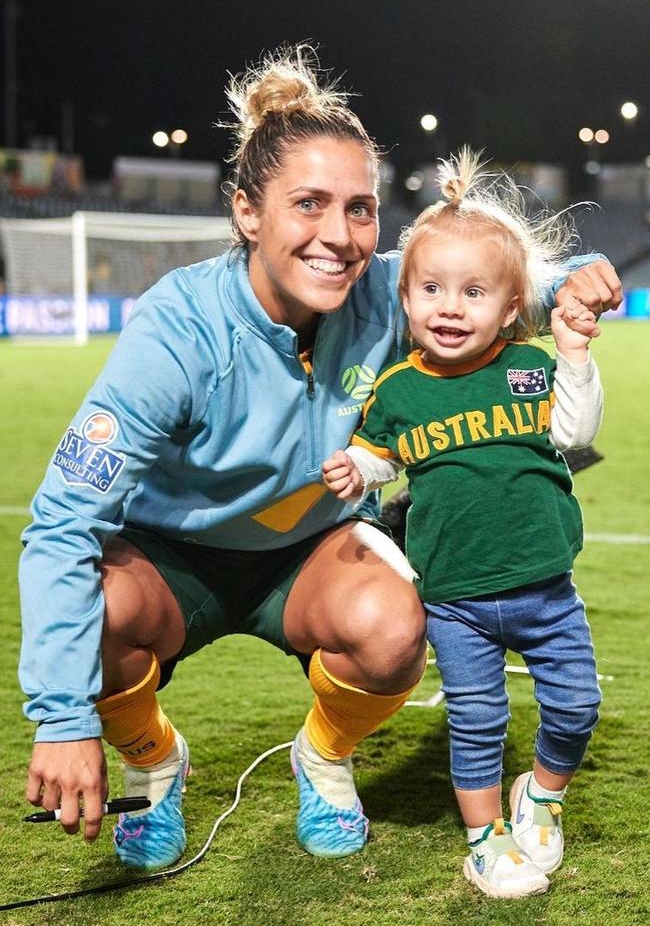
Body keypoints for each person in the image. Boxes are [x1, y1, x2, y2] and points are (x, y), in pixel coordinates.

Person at [19, 50, 620, 874]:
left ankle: (323, 757)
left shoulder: (382, 294)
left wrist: (573, 288)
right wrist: (60, 718)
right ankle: (154, 761)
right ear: (246, 212)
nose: (340, 236)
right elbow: (60, 520)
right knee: (95, 612)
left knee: (395, 622)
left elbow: (486, 287)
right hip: (170, 559)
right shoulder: (176, 332)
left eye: (361, 209)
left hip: (311, 554)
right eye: (309, 204)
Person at [322, 148, 604, 898]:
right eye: (432, 289)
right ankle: (485, 840)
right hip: (456, 599)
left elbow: (576, 433)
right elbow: (382, 453)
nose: (450, 307)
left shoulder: (527, 365)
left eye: (473, 292)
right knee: (476, 721)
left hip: (548, 587)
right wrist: (359, 468)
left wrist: (573, 354)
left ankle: (540, 795)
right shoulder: (399, 388)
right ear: (406, 298)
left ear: (511, 308)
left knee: (577, 706)